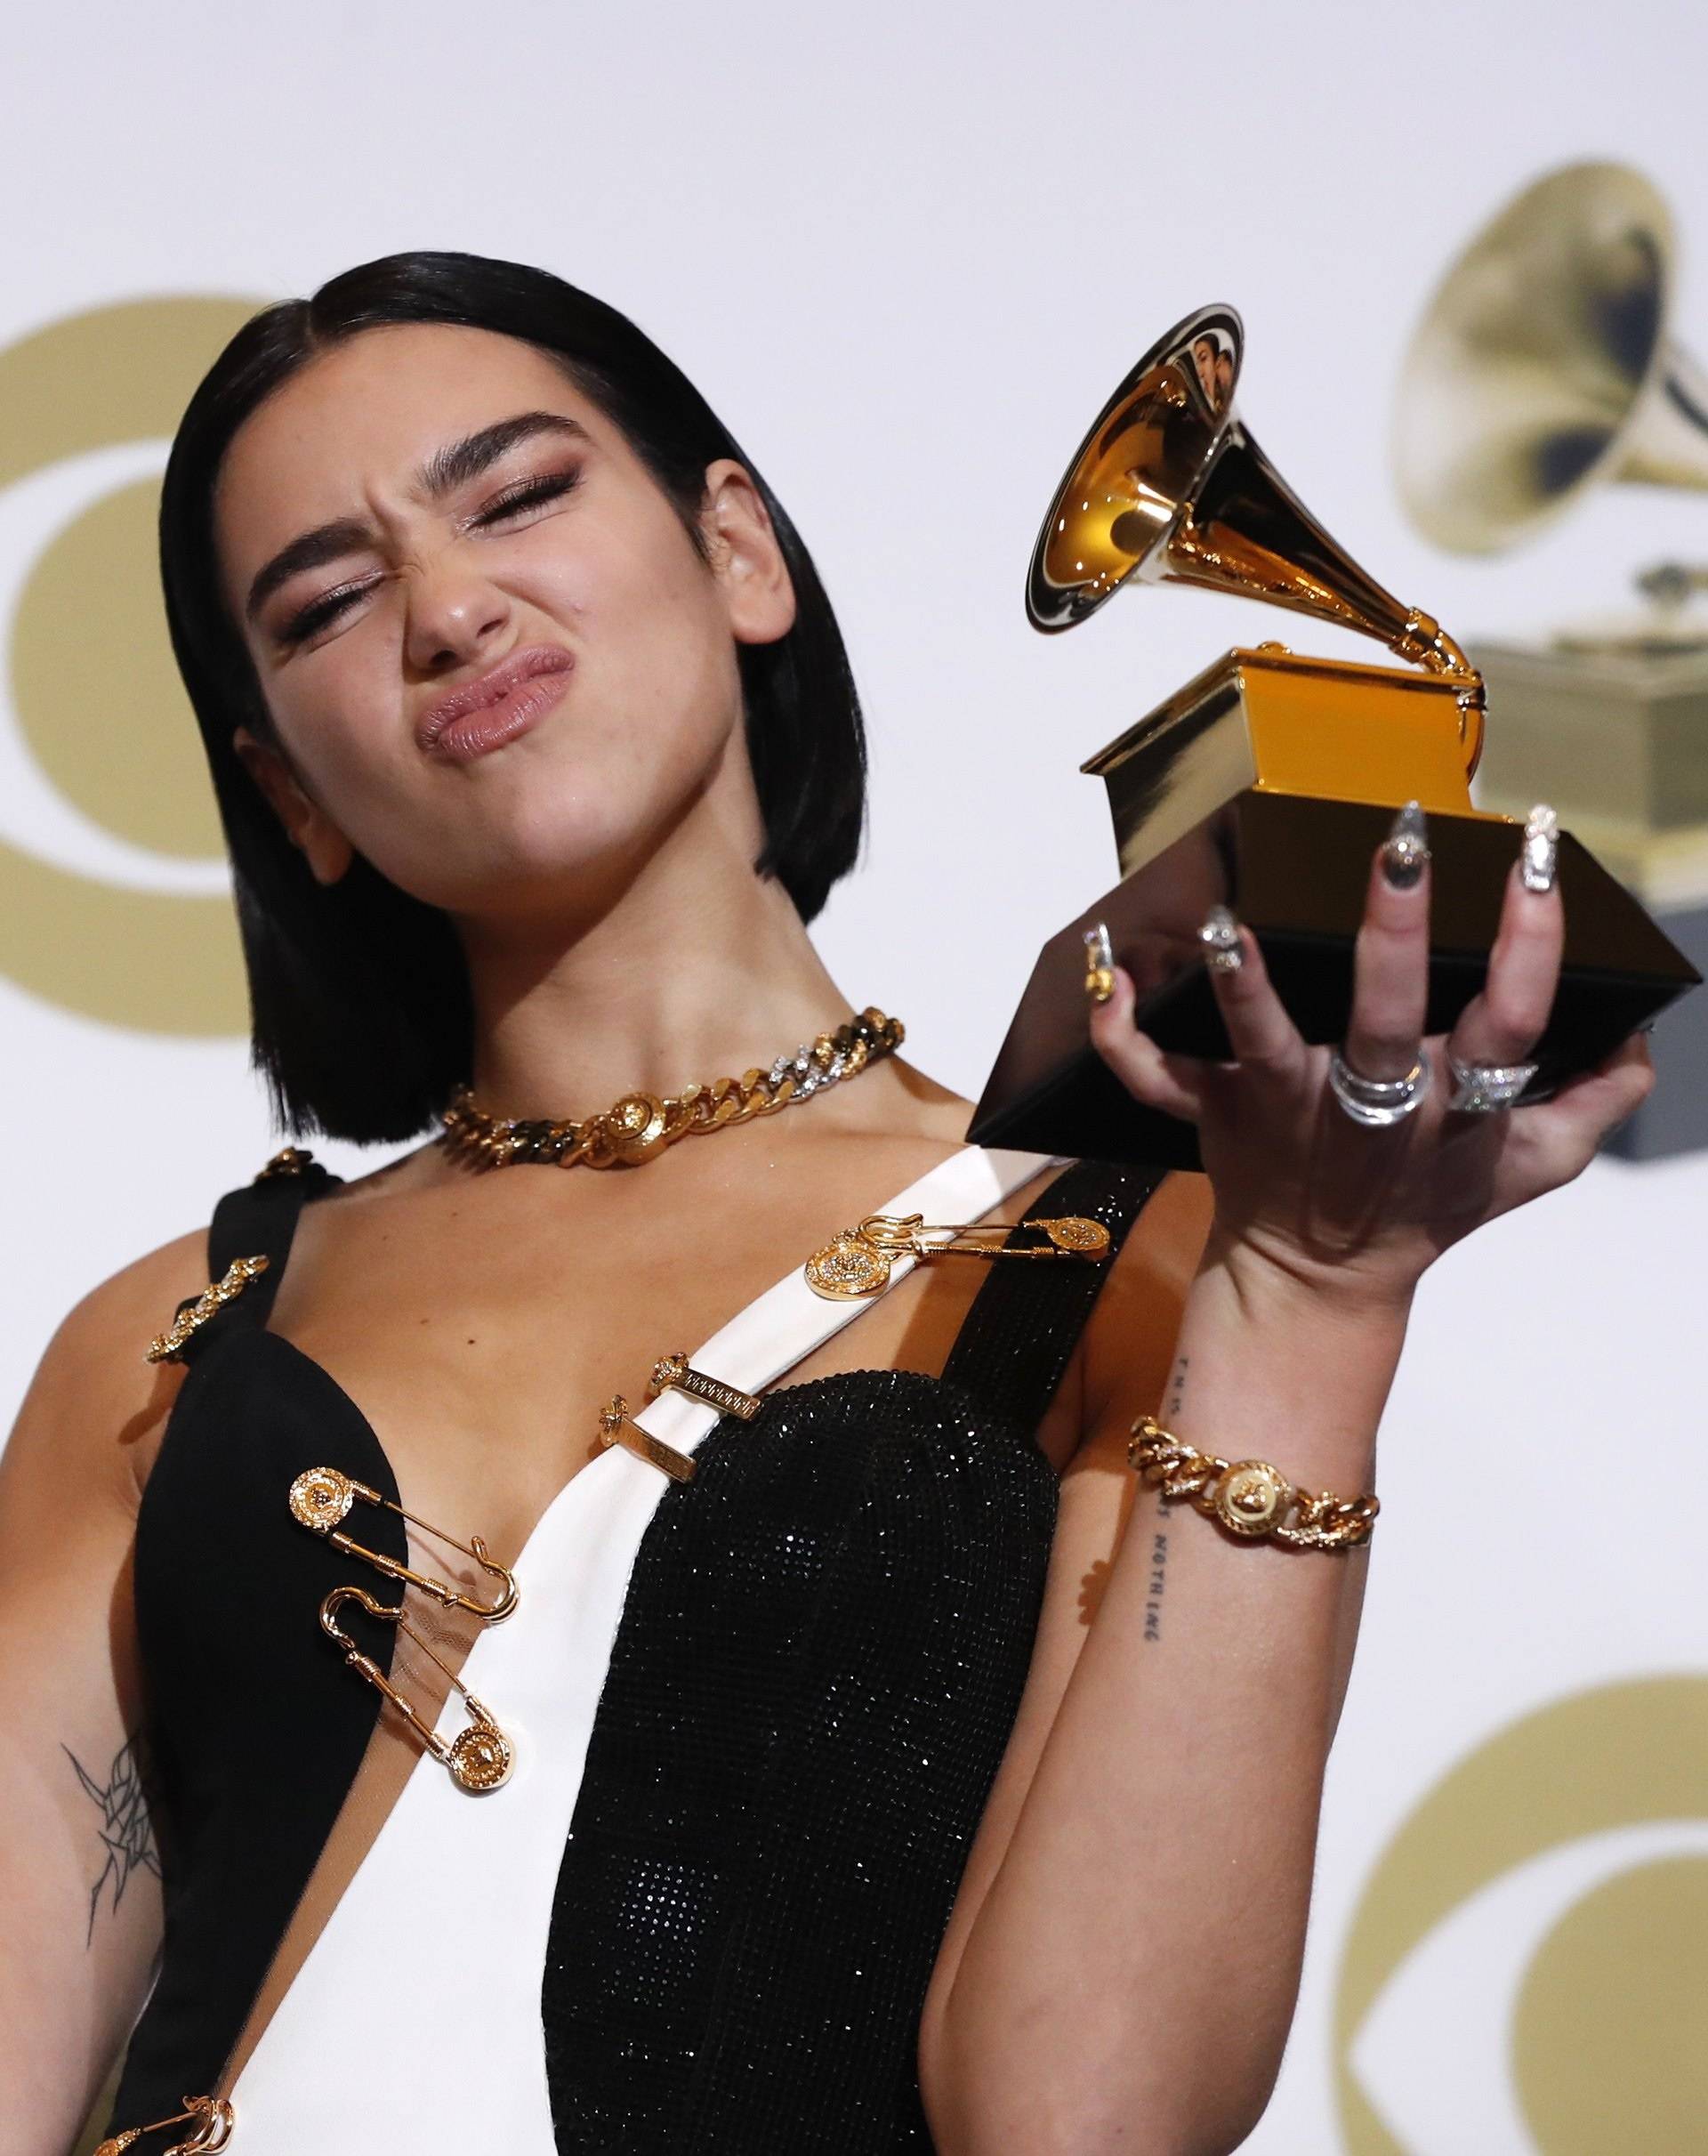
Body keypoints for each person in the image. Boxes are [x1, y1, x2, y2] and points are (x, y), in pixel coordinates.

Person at [0, 253, 1650, 2156]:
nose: (451, 609)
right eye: (329, 600)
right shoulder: (172, 1341)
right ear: (285, 789)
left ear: (741, 554)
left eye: (519, 496)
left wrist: (1316, 1308)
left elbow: (1081, 2114)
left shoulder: (1127, 1254)